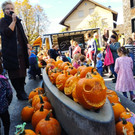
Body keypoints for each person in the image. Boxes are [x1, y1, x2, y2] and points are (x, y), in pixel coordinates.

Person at [0, 1, 29, 100]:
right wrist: (13, 21)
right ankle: (19, 92)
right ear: (4, 11)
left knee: (22, 72)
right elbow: (7, 32)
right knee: (14, 74)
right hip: (10, 52)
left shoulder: (18, 21)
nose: (10, 10)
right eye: (8, 9)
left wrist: (28, 46)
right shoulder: (3, 21)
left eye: (12, 8)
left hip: (21, 51)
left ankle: (22, 90)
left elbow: (23, 35)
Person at [0, 57, 13, 135]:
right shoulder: (3, 79)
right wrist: (7, 102)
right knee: (6, 123)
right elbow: (9, 92)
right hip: (3, 106)